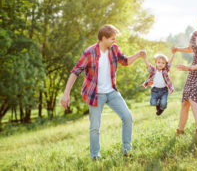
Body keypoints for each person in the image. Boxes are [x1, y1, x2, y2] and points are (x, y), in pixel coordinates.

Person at [60, 24, 145, 160]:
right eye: (112, 38)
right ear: (103, 38)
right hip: (95, 94)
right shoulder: (90, 52)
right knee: (95, 127)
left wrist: (138, 55)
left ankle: (127, 151)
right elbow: (75, 72)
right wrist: (66, 93)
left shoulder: (114, 49)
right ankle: (95, 157)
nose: (114, 41)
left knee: (127, 117)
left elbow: (125, 61)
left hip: (111, 91)